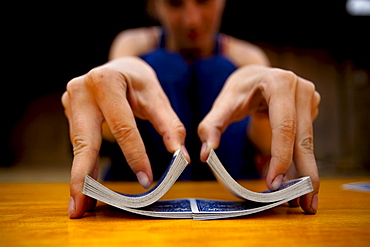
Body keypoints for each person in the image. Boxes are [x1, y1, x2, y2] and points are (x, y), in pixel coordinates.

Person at [62, 0, 320, 219]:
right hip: (147, 171)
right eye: (175, 3)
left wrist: (265, 113)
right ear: (155, 5)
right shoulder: (132, 44)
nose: (192, 20)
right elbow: (110, 131)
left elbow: (263, 144)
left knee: (217, 69)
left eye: (204, 1)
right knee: (165, 65)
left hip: (232, 175)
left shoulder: (246, 56)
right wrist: (114, 82)